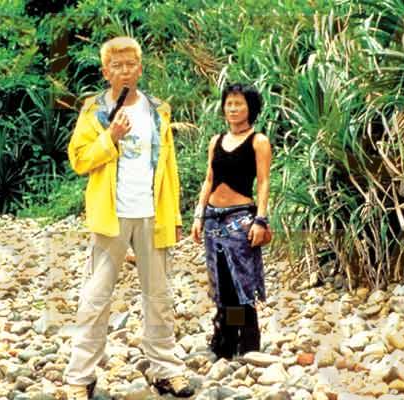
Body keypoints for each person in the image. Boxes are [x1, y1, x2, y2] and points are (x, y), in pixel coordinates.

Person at [64, 36, 194, 400]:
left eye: (130, 64)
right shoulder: (93, 110)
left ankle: (166, 370)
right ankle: (79, 378)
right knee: (95, 298)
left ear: (140, 68)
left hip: (153, 214)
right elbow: (79, 160)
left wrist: (175, 215)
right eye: (116, 66)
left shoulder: (158, 110)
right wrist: (111, 137)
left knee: (160, 297)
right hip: (112, 217)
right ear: (105, 72)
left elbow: (169, 166)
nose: (124, 71)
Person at [190, 83, 271, 360]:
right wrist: (199, 214)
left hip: (241, 219)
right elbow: (209, 179)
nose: (233, 109)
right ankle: (225, 339)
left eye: (239, 103)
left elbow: (263, 182)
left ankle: (247, 343)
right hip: (213, 218)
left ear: (250, 108)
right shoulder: (216, 141)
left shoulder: (258, 141)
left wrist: (261, 220)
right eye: (229, 103)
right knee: (222, 281)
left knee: (242, 281)